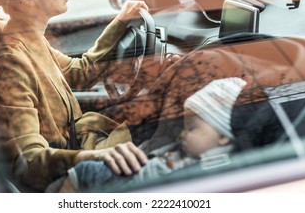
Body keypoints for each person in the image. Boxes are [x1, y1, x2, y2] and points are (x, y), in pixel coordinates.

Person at [0, 0, 149, 192]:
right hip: (69, 175)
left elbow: (79, 73)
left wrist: (120, 22)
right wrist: (89, 158)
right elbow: (28, 160)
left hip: (83, 149)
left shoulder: (31, 40)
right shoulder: (9, 64)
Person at [47, 77, 247, 192]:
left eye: (192, 128)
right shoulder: (193, 151)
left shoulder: (213, 166)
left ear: (223, 136)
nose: (183, 134)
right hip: (135, 173)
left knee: (84, 172)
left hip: (137, 182)